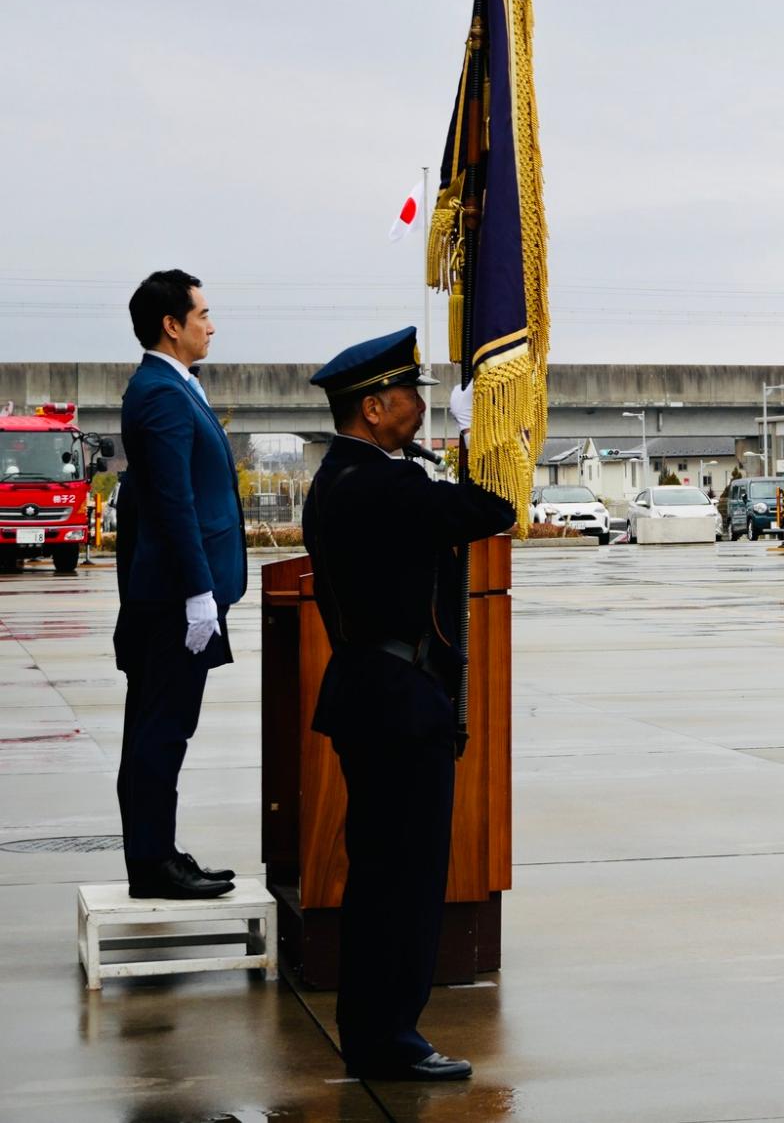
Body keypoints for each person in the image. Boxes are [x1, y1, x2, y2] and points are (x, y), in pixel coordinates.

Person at [302, 326, 516, 1084]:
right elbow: (492, 509)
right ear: (371, 408)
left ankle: (374, 1029)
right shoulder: (379, 486)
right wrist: (484, 432)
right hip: (396, 705)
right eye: (410, 396)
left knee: (381, 873)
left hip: (373, 696)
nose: (420, 408)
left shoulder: (346, 477)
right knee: (407, 877)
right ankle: (389, 1036)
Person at [113, 268, 245, 900]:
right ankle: (153, 864)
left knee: (162, 727)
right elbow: (172, 501)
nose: (211, 325)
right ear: (172, 326)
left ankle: (157, 852)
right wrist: (197, 592)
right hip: (173, 598)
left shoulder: (174, 385)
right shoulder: (162, 392)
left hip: (172, 593)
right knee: (161, 729)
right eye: (203, 315)